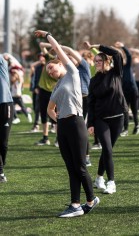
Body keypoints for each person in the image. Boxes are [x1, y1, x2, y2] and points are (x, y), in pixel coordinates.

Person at [34, 30, 99, 217]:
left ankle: (91, 199)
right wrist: (59, 120)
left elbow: (56, 48)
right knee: (70, 168)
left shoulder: (72, 73)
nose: (51, 72)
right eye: (48, 72)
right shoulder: (56, 86)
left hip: (76, 123)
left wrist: (47, 35)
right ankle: (75, 205)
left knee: (79, 166)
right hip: (63, 127)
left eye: (52, 69)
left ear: (61, 64)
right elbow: (49, 110)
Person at [83, 41, 128, 194]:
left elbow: (117, 53)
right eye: (95, 61)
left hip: (118, 117)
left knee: (108, 151)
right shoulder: (93, 80)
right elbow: (91, 102)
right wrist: (90, 123)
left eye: (99, 60)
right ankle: (111, 182)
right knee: (107, 149)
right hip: (101, 119)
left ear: (107, 61)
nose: (97, 63)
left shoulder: (115, 73)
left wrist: (98, 47)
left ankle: (99, 178)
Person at [114, 41, 139, 136]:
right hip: (124, 92)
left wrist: (123, 47)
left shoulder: (127, 66)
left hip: (133, 91)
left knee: (134, 110)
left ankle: (137, 126)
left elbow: (128, 55)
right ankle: (125, 129)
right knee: (125, 110)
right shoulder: (118, 69)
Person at [34, 42, 57, 146]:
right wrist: (54, 44)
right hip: (43, 91)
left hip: (55, 92)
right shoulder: (50, 58)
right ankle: (45, 138)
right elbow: (41, 45)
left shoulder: (64, 63)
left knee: (57, 115)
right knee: (43, 114)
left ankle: (58, 138)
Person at [0, 54, 14, 183]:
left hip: (5, 106)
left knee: (3, 143)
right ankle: (0, 172)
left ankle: (1, 166)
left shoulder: (2, 65)